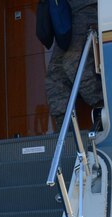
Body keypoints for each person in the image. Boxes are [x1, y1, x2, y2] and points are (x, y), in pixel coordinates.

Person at [44, 0, 102, 129]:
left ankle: (104, 109)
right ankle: (67, 136)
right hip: (68, 11)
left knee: (73, 62)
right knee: (55, 78)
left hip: (88, 8)